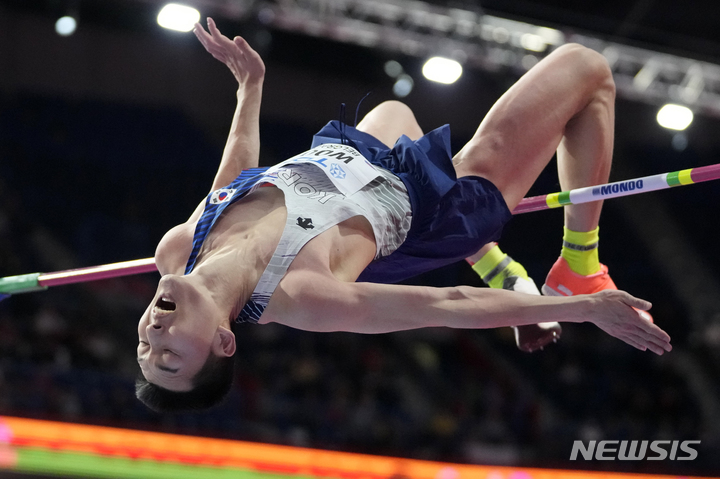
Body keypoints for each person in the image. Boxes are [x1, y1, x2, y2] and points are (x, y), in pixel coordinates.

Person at [135, 18, 672, 412]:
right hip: (433, 210)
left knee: (394, 112)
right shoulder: (302, 297)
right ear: (224, 342)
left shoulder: (176, 250)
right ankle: (578, 266)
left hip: (365, 159)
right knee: (587, 70)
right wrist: (587, 311)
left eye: (144, 345)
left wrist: (249, 88)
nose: (154, 333)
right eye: (169, 355)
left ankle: (487, 259)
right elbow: (445, 303)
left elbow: (230, 184)